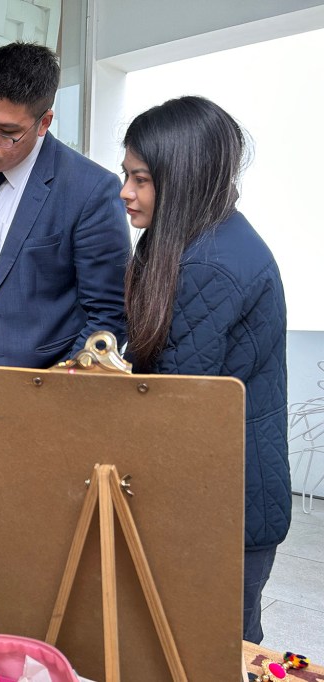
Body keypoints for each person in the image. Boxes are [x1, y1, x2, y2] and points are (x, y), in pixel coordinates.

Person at [0, 42, 131, 523]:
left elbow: (107, 317)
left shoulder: (89, 190)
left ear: (44, 122)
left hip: (33, 402)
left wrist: (50, 397)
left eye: (7, 133)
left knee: (24, 535)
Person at [120, 96, 289, 644]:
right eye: (126, 175)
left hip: (223, 506)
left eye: (141, 179)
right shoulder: (202, 241)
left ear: (182, 180)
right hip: (226, 496)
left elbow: (171, 407)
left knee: (214, 653)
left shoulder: (210, 264)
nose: (125, 192)